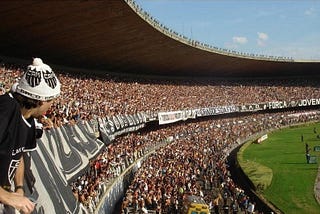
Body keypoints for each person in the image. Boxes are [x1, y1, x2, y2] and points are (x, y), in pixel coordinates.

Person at [0, 58, 61, 214]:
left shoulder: (29, 120)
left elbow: (18, 155)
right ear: (41, 101)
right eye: (51, 101)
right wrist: (7, 196)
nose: (52, 105)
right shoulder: (5, 111)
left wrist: (19, 187)